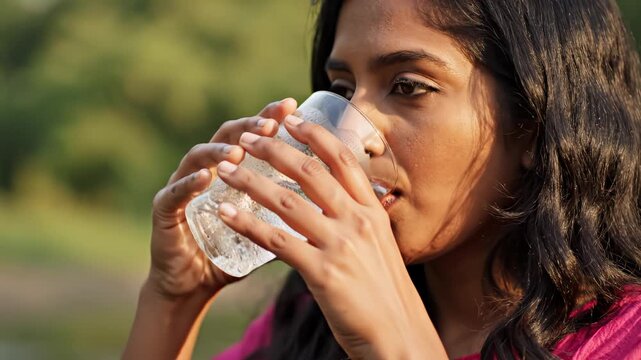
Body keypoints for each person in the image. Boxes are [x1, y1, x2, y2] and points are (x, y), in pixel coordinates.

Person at [123, 0, 641, 358]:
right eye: (342, 88)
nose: (354, 128)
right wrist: (173, 299)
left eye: (409, 86)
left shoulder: (625, 339)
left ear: (531, 125)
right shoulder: (310, 324)